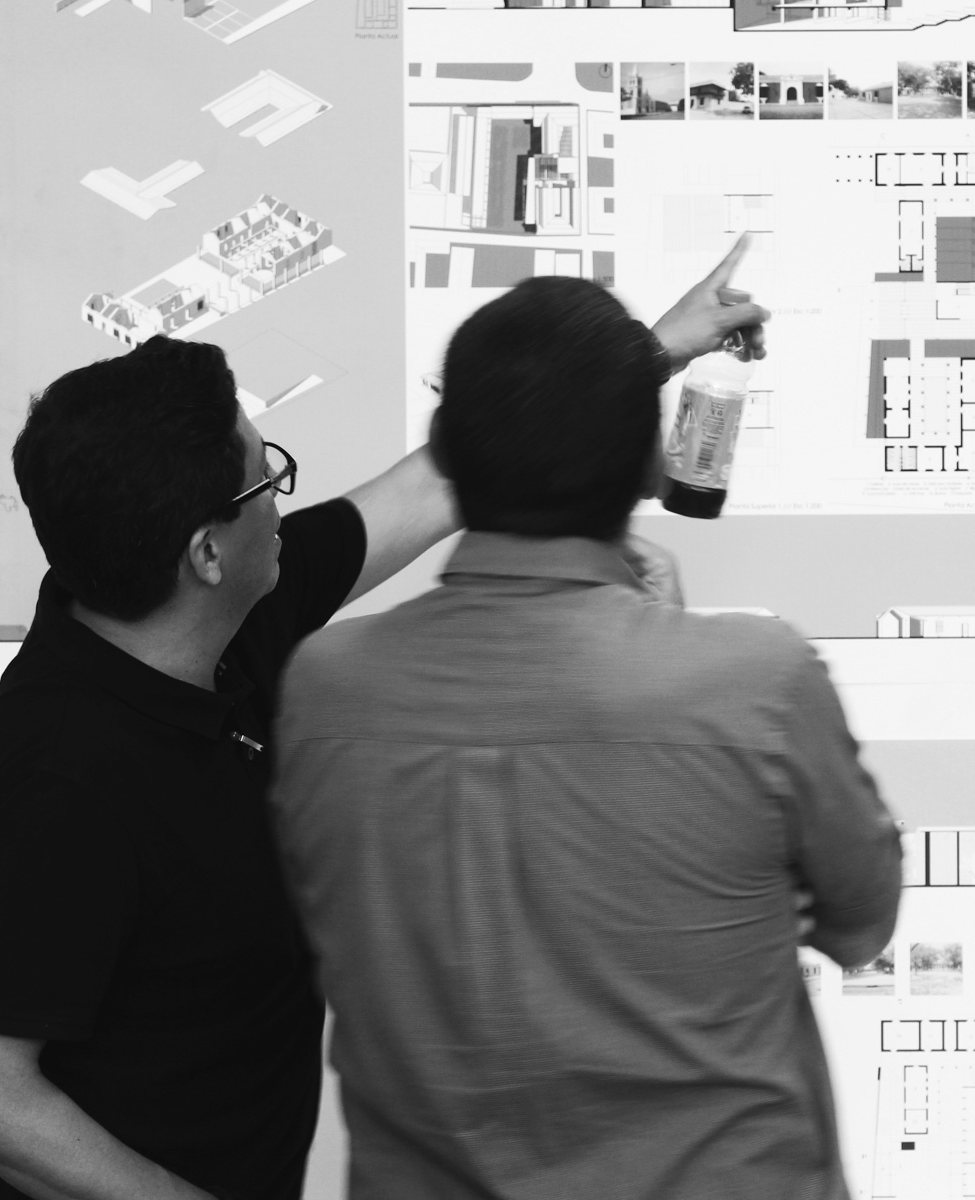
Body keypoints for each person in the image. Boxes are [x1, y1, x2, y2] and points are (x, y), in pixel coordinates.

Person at [0, 258, 743, 1200]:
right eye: (264, 480)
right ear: (205, 552)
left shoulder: (217, 618)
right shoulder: (64, 777)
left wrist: (648, 355)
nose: (281, 496)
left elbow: (443, 479)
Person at [269, 245, 902, 1200]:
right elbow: (861, 925)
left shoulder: (325, 690)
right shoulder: (759, 683)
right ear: (654, 464)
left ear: (445, 446)